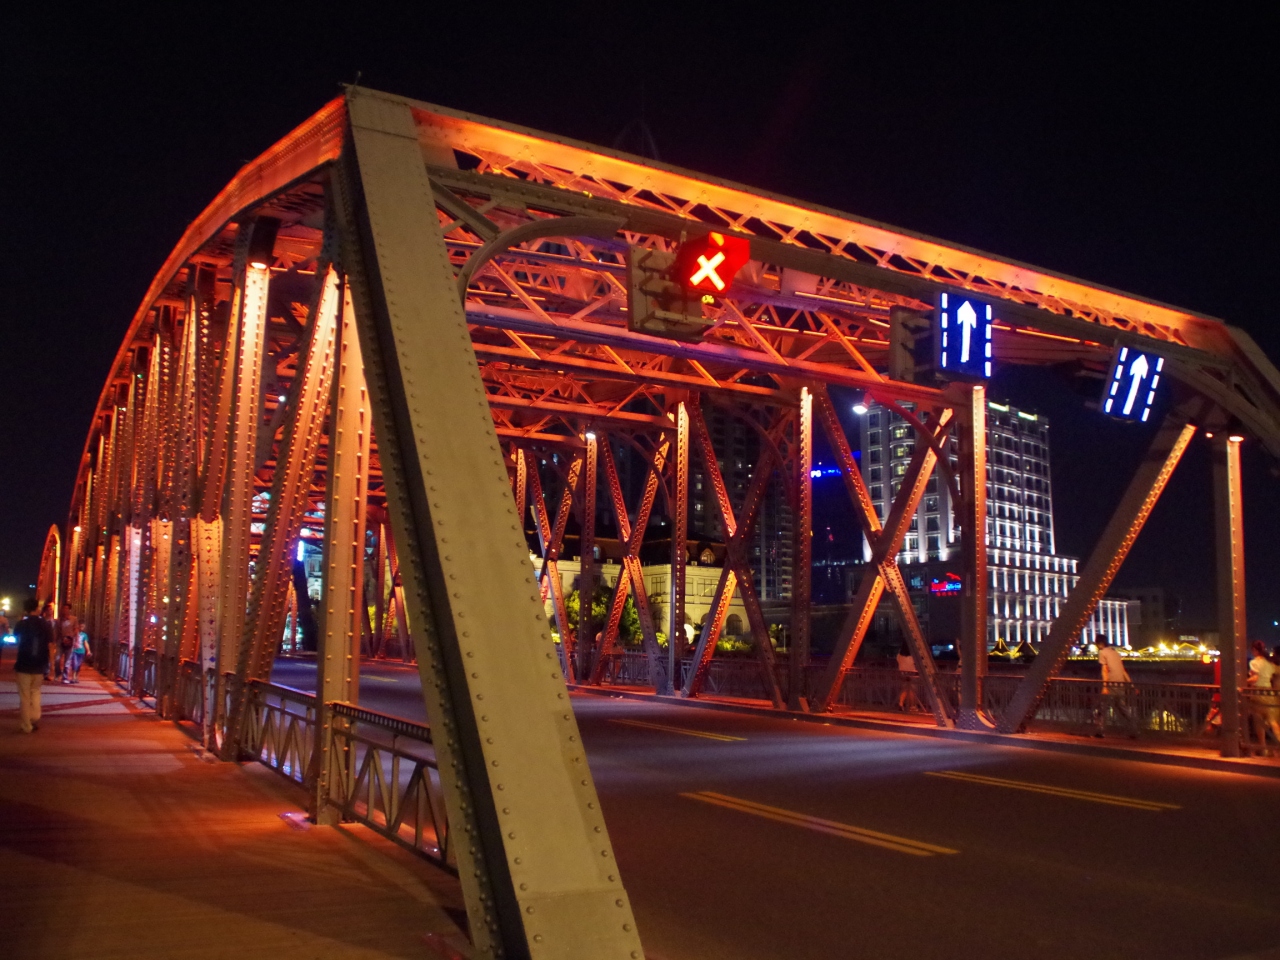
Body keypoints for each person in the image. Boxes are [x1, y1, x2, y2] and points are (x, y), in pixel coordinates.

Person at [13, 597, 52, 733]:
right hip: (39, 664)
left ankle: (26, 725)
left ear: (26, 609)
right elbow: (50, 645)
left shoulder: (21, 624)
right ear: (37, 608)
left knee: (24, 696)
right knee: (35, 692)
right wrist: (50, 665)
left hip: (23, 663)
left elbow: (17, 638)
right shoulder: (45, 625)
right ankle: (35, 716)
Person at [1093, 636, 1138, 738]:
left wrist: (1105, 686)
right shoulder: (1115, 653)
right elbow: (1123, 671)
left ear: (1100, 644)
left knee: (1102, 709)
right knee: (1123, 709)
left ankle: (1100, 731)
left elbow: (1104, 671)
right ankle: (1134, 730)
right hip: (1120, 684)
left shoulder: (1102, 652)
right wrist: (1131, 685)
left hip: (1110, 685)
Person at [1246, 640, 1280, 753]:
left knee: (1258, 721)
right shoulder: (1269, 664)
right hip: (1269, 693)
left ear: (1255, 650)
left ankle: (1263, 748)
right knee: (1272, 721)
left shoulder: (1254, 662)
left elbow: (1255, 678)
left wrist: (1244, 681)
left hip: (1258, 693)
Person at [896, 642, 922, 713]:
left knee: (904, 689)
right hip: (912, 674)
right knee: (912, 690)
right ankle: (912, 706)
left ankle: (901, 704)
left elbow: (898, 660)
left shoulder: (899, 655)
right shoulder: (912, 657)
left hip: (903, 674)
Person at [64, 620, 91, 684]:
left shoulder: (84, 635)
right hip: (74, 651)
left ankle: (76, 677)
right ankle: (73, 677)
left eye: (83, 626)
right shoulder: (74, 633)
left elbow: (85, 643)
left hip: (81, 651)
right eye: (80, 626)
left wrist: (88, 651)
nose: (81, 628)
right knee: (74, 664)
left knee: (79, 665)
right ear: (78, 626)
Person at [57, 603, 76, 683]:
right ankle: (58, 673)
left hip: (70, 641)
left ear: (69, 610)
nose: (65, 610)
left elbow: (76, 629)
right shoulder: (59, 620)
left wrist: (72, 638)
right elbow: (57, 630)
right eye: (64, 608)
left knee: (67, 661)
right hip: (61, 641)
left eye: (67, 608)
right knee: (57, 658)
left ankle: (65, 677)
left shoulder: (74, 619)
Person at [41, 601, 57, 682]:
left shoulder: (54, 621)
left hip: (52, 642)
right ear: (45, 611)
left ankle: (48, 673)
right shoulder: (42, 621)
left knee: (51, 658)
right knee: (44, 657)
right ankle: (44, 672)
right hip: (44, 642)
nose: (51, 611)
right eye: (49, 610)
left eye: (51, 610)